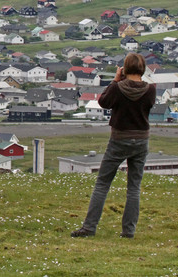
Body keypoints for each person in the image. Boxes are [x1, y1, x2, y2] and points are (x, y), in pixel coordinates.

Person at [71, 52, 156, 239]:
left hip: (119, 138)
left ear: (125, 68)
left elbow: (103, 102)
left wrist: (115, 81)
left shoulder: (118, 88)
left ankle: (89, 227)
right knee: (134, 187)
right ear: (142, 69)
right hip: (141, 140)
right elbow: (148, 106)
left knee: (102, 183)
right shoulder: (150, 89)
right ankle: (128, 231)